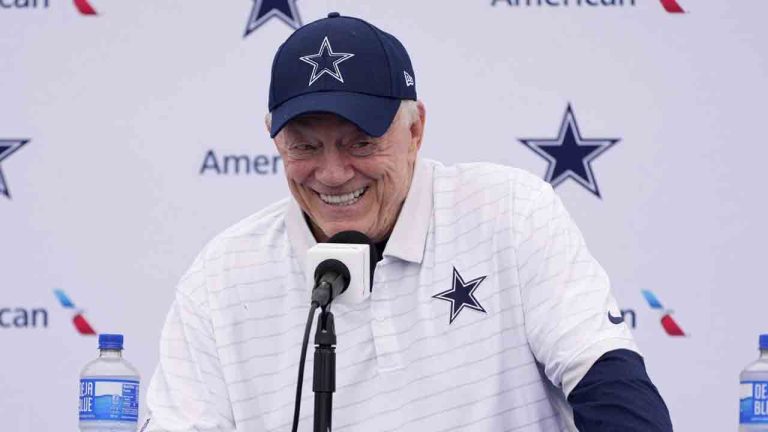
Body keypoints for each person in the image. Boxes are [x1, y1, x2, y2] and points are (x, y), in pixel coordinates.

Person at [143, 12, 673, 432]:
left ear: (416, 129)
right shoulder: (223, 274)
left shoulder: (509, 210)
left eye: (361, 142)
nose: (332, 173)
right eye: (305, 145)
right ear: (273, 138)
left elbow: (604, 376)